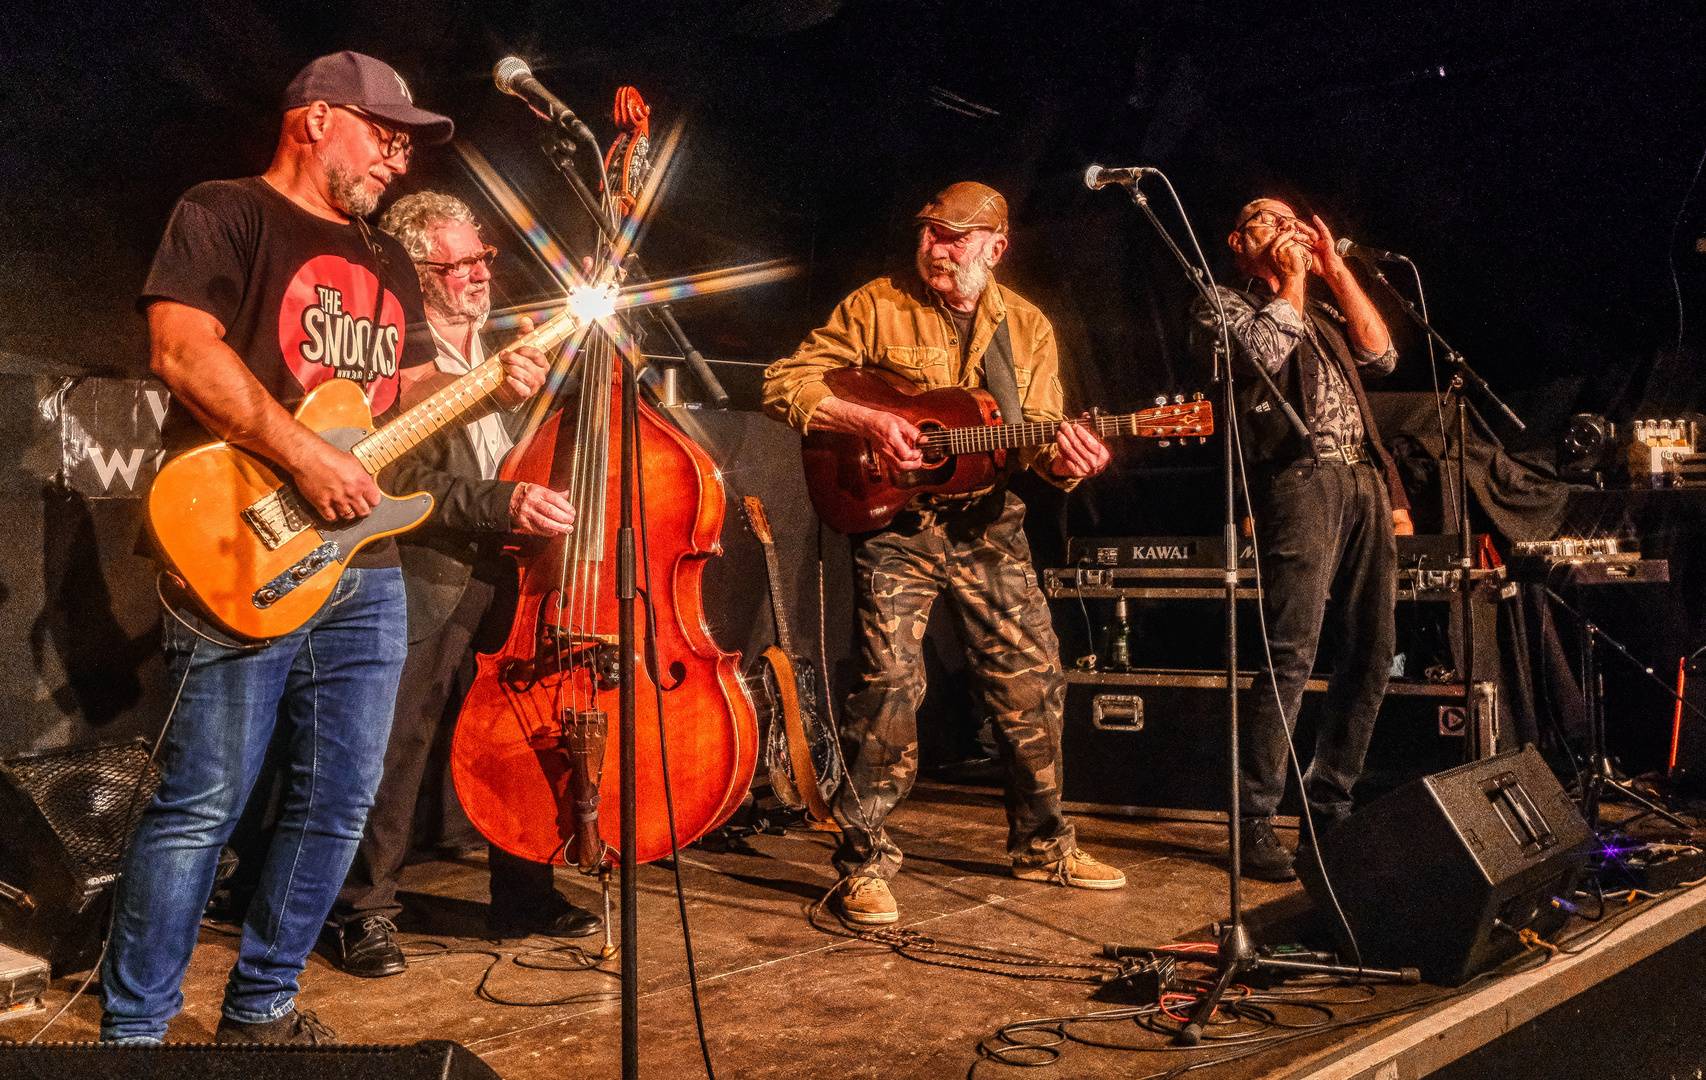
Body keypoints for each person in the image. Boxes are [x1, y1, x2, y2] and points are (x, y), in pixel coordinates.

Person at [102, 53, 548, 1044]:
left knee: (339, 806)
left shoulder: (385, 258)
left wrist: (484, 385)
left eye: (405, 140)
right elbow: (181, 349)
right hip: (238, 542)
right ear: (312, 120)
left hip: (362, 566)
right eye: (382, 131)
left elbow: (388, 409)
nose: (397, 154)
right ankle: (133, 1036)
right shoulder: (225, 212)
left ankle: (261, 1008)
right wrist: (303, 459)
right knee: (200, 806)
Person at [761, 181, 1127, 926]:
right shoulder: (875, 304)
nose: (936, 246)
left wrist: (1070, 459)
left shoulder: (1027, 328)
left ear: (995, 247)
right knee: (889, 684)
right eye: (930, 232)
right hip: (901, 528)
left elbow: (1039, 446)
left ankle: (1044, 845)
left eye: (956, 237)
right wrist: (866, 421)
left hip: (991, 525)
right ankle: (862, 863)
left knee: (1033, 681)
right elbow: (785, 381)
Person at [329, 192, 599, 978]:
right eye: (459, 265)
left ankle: (526, 895)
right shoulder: (394, 356)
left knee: (515, 737)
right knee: (394, 750)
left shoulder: (515, 342)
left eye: (482, 258)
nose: (481, 275)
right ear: (417, 273)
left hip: (513, 573)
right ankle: (362, 911)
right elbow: (392, 476)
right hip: (427, 570)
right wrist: (501, 501)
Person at [1192, 198, 1413, 882]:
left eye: (1291, 217)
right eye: (1265, 218)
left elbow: (1382, 354)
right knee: (1291, 653)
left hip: (1363, 480)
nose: (1284, 225)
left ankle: (1328, 807)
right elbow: (1258, 358)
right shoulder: (1221, 302)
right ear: (1237, 242)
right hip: (1298, 480)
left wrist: (1334, 268)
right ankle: (1254, 818)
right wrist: (1290, 283)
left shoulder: (1319, 308)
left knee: (1373, 653)